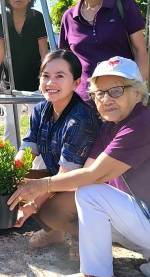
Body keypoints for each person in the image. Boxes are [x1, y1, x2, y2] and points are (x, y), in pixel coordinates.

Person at [8, 56, 150, 277]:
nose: (106, 99)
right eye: (99, 93)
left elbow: (93, 175)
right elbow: (84, 170)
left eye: (116, 91)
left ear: (138, 94)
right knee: (86, 196)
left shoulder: (142, 124)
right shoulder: (111, 125)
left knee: (90, 192)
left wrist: (40, 187)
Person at [14, 50, 99, 255]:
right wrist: (14, 169)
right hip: (57, 179)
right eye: (45, 75)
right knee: (17, 181)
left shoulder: (80, 119)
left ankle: (87, 237)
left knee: (54, 212)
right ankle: (53, 232)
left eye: (60, 76)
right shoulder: (41, 109)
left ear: (76, 83)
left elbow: (66, 176)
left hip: (83, 186)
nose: (50, 82)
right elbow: (29, 144)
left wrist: (33, 204)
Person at [58, 0, 149, 109]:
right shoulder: (69, 17)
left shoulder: (124, 4)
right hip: (81, 107)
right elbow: (64, 64)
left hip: (121, 104)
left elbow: (140, 50)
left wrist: (137, 93)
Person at [0, 0, 49, 149]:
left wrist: (45, 78)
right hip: (10, 82)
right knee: (11, 126)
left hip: (35, 82)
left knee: (39, 125)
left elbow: (43, 50)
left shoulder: (36, 17)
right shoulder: (1, 19)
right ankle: (11, 168)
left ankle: (39, 167)